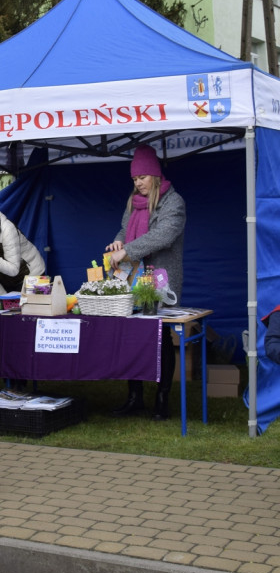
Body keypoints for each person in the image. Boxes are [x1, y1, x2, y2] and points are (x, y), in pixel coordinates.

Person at [106, 144, 186, 421]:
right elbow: (123, 228)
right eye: (134, 179)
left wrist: (126, 250)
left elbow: (162, 236)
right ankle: (135, 397)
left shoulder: (174, 203)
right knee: (132, 339)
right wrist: (119, 239)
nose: (138, 183)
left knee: (161, 339)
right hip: (132, 277)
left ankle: (162, 398)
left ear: (155, 175)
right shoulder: (133, 202)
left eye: (141, 177)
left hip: (160, 279)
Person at [0, 206, 45, 295]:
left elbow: (13, 270)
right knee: (12, 308)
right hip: (8, 282)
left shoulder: (6, 228)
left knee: (38, 307)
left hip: (34, 274)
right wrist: (2, 297)